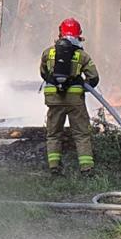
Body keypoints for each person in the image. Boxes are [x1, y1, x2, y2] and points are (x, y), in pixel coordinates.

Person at [39, 17, 99, 175]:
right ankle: (87, 169)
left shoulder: (48, 53)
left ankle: (54, 167)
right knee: (81, 135)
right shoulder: (82, 55)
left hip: (54, 100)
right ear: (79, 34)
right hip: (75, 102)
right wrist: (81, 86)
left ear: (60, 33)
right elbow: (94, 78)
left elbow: (43, 73)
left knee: (53, 134)